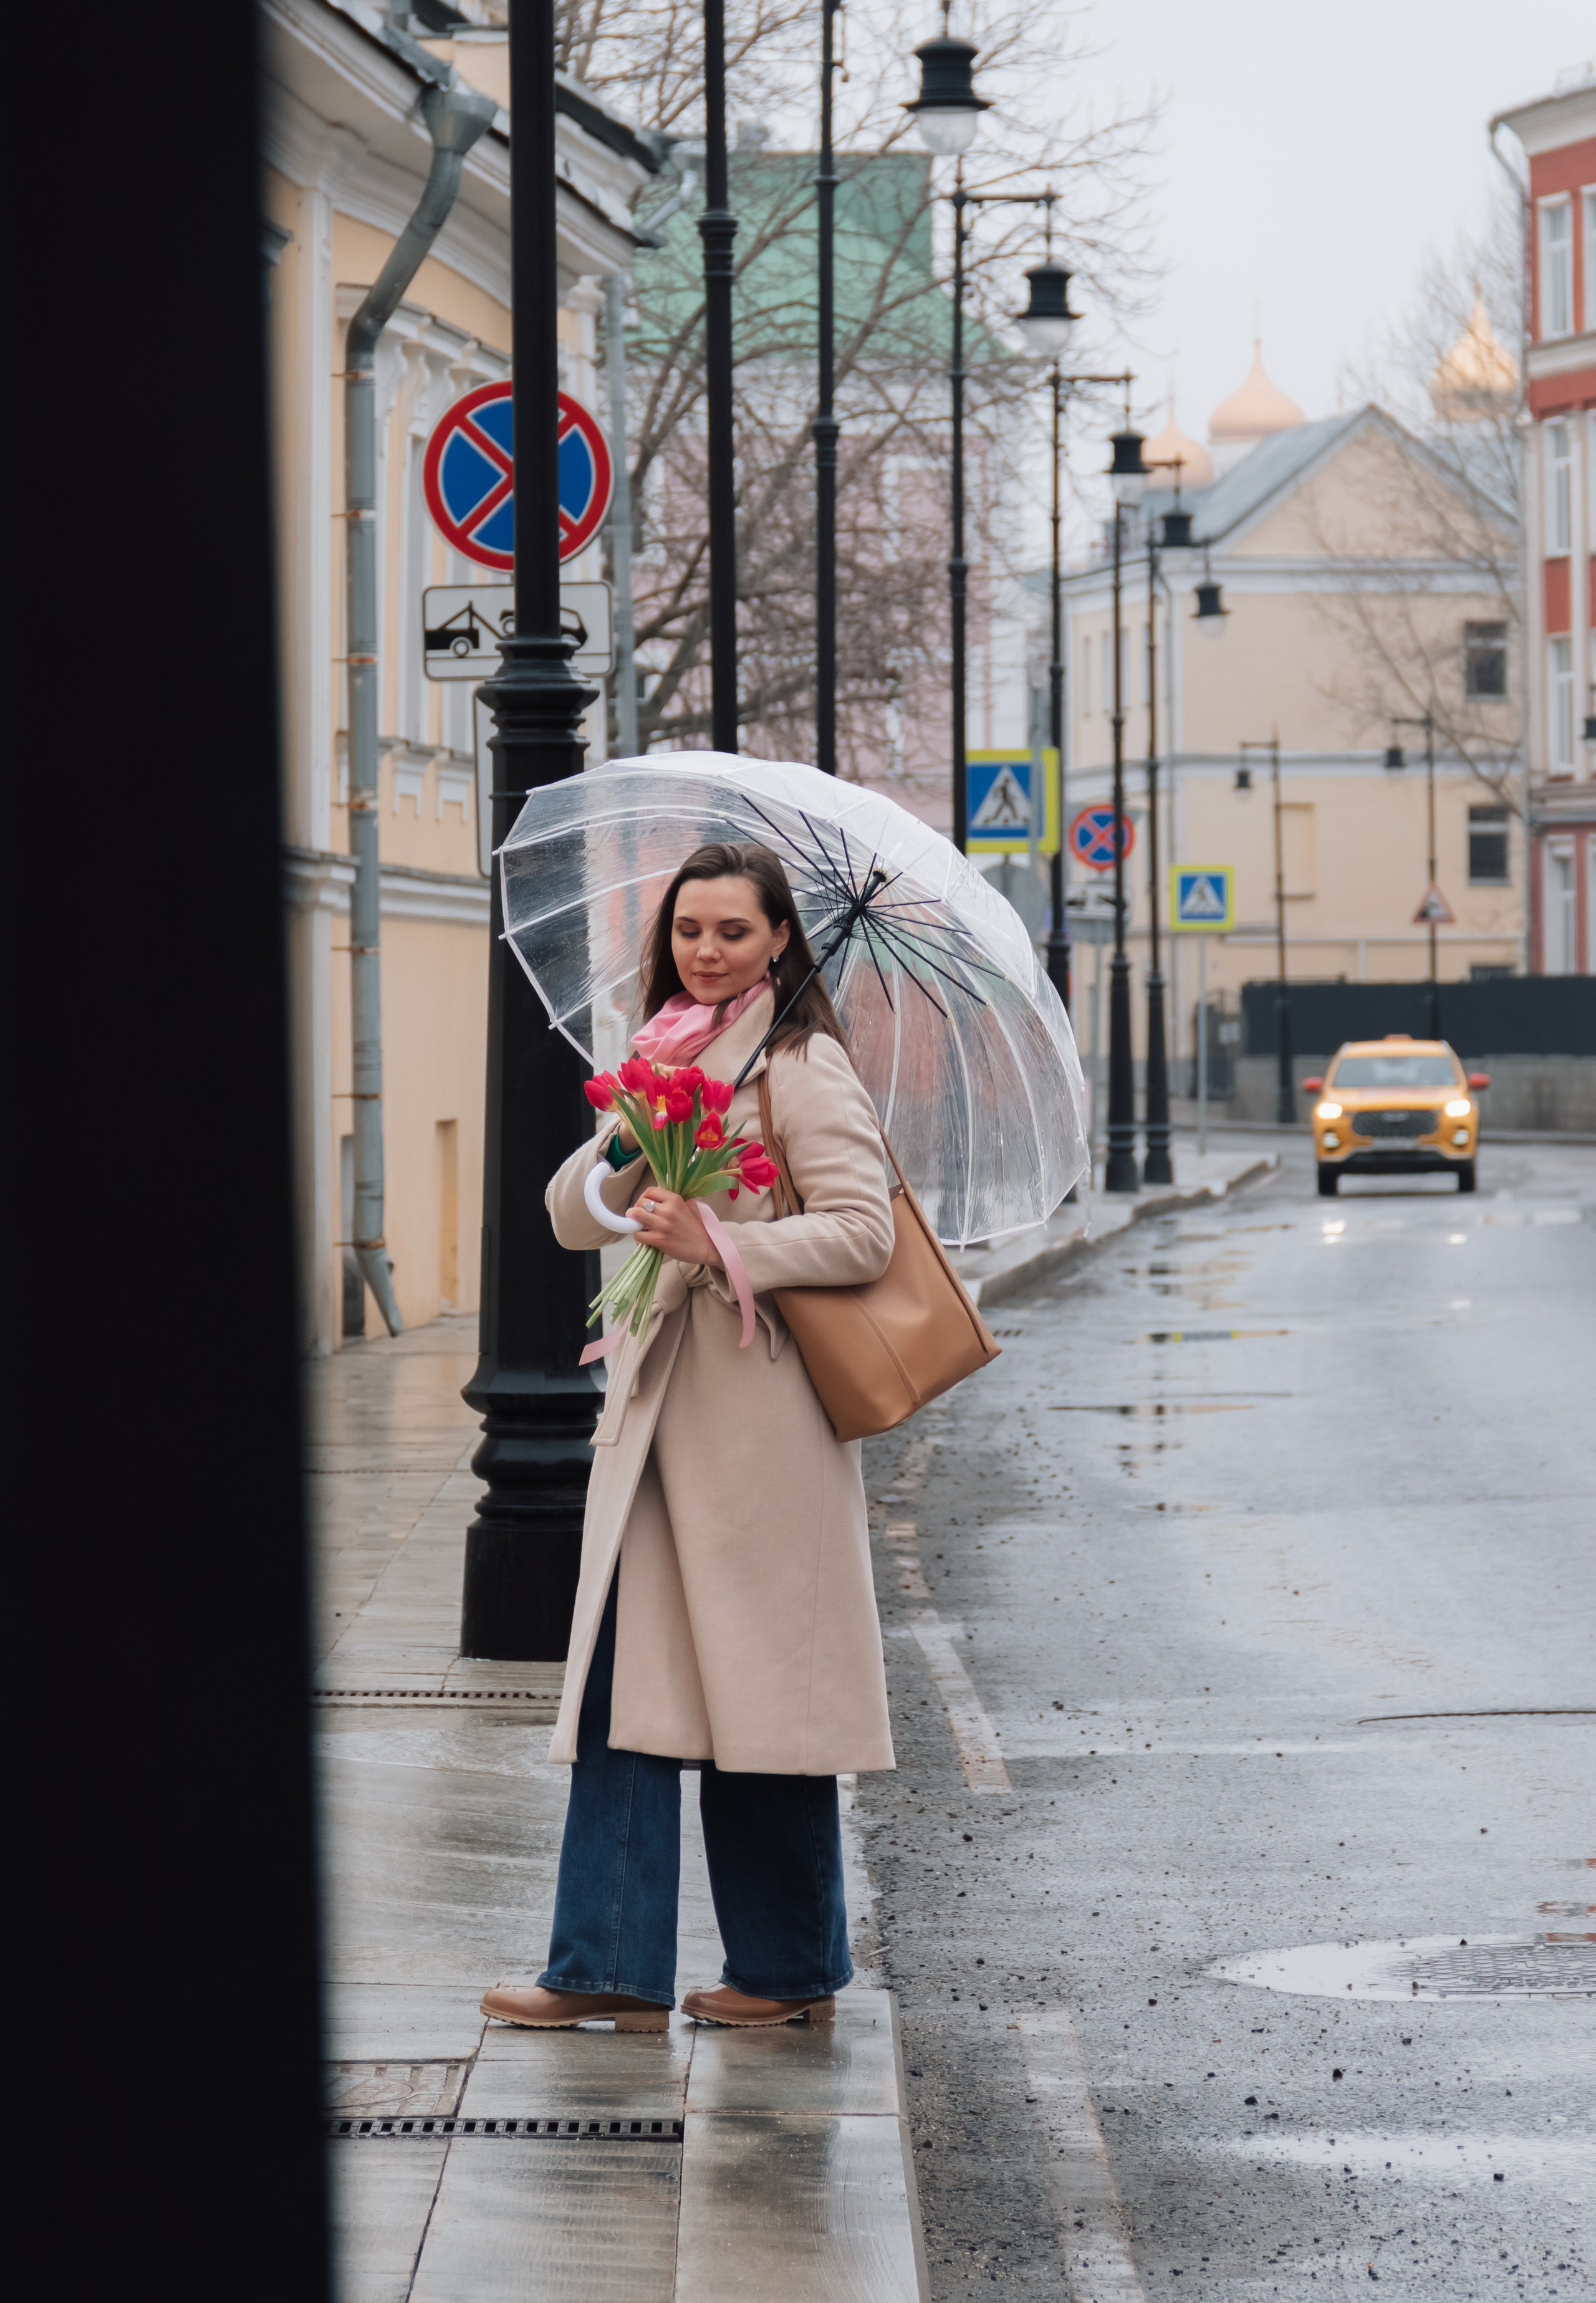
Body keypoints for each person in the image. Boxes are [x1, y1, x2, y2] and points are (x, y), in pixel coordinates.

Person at [480, 841, 897, 2032]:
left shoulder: (803, 1066)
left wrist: (719, 1241)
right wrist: (628, 1156)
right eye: (689, 930)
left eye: (733, 932)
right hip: (661, 1425)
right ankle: (607, 1960)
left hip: (760, 1435)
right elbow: (570, 1215)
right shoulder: (660, 1053)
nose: (705, 952)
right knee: (625, 1684)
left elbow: (862, 1234)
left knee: (765, 1700)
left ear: (779, 942)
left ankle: (784, 1972)